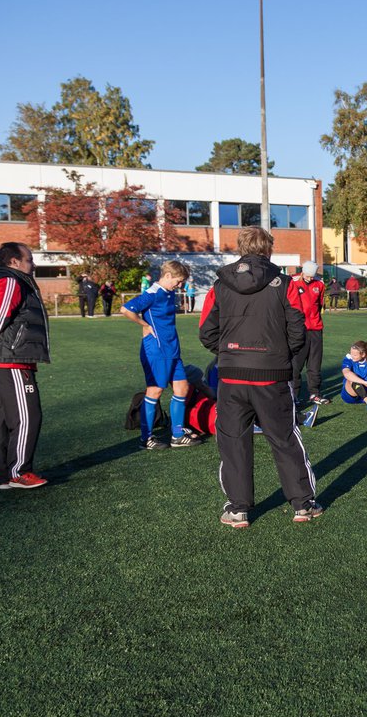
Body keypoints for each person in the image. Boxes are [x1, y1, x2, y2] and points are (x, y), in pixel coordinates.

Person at [199, 226, 323, 528]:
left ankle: (238, 509)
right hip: (271, 377)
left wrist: (231, 353)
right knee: (284, 438)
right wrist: (278, 355)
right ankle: (303, 505)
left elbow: (206, 331)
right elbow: (298, 329)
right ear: (268, 249)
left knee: (233, 442)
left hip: (231, 378)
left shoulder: (220, 285)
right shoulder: (285, 284)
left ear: (241, 248)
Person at [0, 241, 51, 490]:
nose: (33, 263)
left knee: (0, 420)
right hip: (8, 361)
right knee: (28, 417)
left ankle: (4, 476)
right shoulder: (11, 281)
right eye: (29, 259)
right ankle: (19, 472)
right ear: (14, 262)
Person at [121, 260, 203, 451]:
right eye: (178, 281)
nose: (180, 285)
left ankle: (177, 435)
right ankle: (146, 438)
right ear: (167, 276)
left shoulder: (169, 292)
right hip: (156, 350)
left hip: (172, 349)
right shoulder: (152, 293)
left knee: (182, 388)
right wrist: (145, 326)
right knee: (155, 391)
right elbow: (126, 309)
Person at [289, 260, 330, 406]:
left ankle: (315, 394)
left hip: (316, 329)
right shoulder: (292, 282)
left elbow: (318, 305)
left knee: (314, 364)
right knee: (296, 365)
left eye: (312, 276)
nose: (310, 278)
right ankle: (294, 395)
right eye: (307, 275)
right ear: (302, 271)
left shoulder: (319, 284)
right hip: (299, 329)